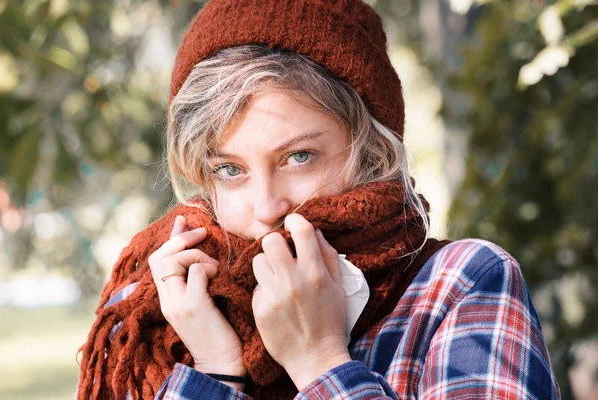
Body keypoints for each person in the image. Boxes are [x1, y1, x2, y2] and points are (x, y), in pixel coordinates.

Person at [77, 0, 561, 399]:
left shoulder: (460, 283)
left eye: (299, 156)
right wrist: (217, 372)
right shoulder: (176, 306)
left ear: (371, 151)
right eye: (230, 170)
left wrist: (320, 359)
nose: (266, 208)